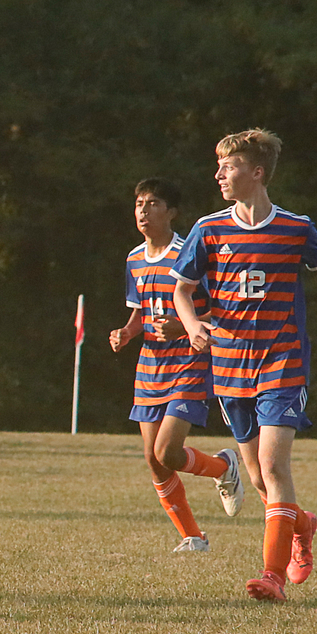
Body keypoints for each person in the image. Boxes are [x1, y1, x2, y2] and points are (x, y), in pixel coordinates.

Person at [171, 129, 317, 602]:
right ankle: (302, 525)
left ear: (256, 172)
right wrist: (193, 325)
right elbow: (182, 290)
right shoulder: (208, 229)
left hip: (283, 361)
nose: (219, 174)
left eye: (229, 166)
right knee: (258, 477)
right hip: (230, 364)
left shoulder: (295, 228)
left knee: (275, 466)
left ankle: (272, 576)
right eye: (219, 166)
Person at [108, 178, 245, 551]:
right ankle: (192, 537)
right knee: (155, 462)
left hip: (190, 361)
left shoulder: (189, 253)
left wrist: (183, 326)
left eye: (153, 203)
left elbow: (222, 308)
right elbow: (141, 312)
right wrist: (126, 332)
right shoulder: (134, 259)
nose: (143, 210)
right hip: (150, 366)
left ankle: (223, 467)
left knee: (167, 451)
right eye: (139, 203)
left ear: (172, 212)